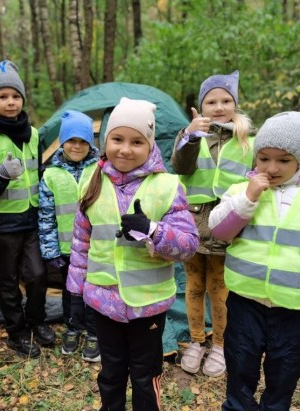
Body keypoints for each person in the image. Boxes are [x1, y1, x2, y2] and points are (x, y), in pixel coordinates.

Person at [209, 111, 300, 410]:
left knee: (284, 373)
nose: (272, 168)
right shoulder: (240, 191)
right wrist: (247, 199)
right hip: (245, 303)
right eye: (264, 158)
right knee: (240, 366)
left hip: (295, 311)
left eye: (283, 160)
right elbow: (219, 231)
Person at [67, 97, 199, 410]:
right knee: (111, 372)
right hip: (103, 301)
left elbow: (189, 244)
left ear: (150, 144)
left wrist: (154, 230)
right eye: (117, 139)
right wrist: (75, 291)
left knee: (144, 374)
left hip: (148, 306)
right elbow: (81, 239)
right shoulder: (91, 180)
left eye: (137, 141)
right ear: (105, 140)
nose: (125, 149)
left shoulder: (166, 186)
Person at [171, 70, 255, 377]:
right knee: (194, 287)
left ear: (235, 103)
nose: (218, 107)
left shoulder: (248, 139)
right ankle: (196, 341)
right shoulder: (190, 135)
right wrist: (191, 135)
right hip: (192, 224)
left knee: (220, 289)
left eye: (225, 100)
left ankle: (220, 345)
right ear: (201, 106)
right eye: (211, 101)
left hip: (227, 225)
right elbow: (180, 166)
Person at [0, 60, 54, 358]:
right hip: (4, 224)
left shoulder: (33, 134)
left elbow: (40, 171)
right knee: (7, 281)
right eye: (3, 96)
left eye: (15, 96)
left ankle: (37, 320)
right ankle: (17, 332)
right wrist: (0, 174)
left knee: (36, 275)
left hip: (31, 219)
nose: (10, 102)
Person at [38, 110, 100, 362]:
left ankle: (95, 333)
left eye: (83, 141)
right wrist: (50, 250)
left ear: (90, 144)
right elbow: (45, 216)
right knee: (71, 292)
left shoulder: (100, 170)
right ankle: (73, 329)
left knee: (95, 290)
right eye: (71, 140)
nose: (77, 146)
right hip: (66, 248)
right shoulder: (51, 175)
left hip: (96, 247)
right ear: (62, 142)